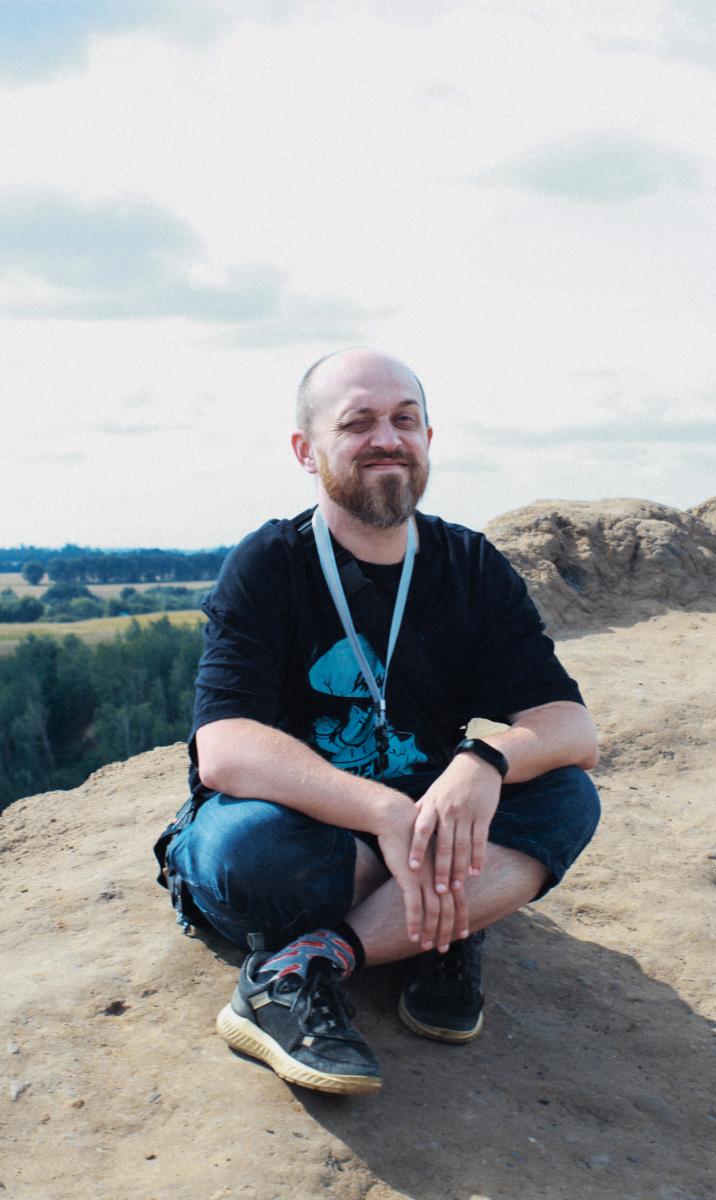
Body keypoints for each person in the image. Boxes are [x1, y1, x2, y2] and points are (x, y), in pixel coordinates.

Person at [162, 348, 600, 1096]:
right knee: (247, 852)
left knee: (567, 798)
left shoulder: (470, 566)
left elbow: (571, 728)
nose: (386, 439)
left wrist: (484, 761)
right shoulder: (269, 563)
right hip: (309, 831)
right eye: (357, 422)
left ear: (429, 438)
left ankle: (312, 962)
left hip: (424, 825)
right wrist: (385, 813)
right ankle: (445, 918)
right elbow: (225, 750)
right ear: (307, 450)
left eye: (404, 420)